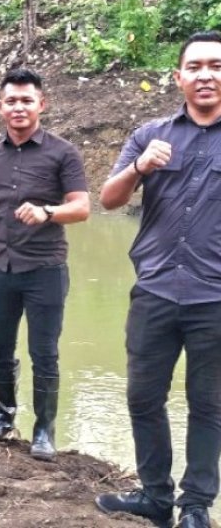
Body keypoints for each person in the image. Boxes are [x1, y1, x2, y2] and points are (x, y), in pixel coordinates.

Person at [95, 31, 221, 528]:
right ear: (179, 77)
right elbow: (108, 200)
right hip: (155, 290)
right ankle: (154, 495)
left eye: (216, 65)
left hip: (215, 298)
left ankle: (195, 507)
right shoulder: (149, 134)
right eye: (195, 67)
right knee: (143, 396)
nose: (206, 75)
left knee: (208, 404)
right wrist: (139, 169)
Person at [0, 68, 89, 461]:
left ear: (41, 104)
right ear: (0, 106)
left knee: (44, 352)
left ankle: (44, 431)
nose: (19, 107)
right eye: (11, 100)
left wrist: (49, 211)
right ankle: (2, 416)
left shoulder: (63, 152)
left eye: (26, 100)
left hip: (45, 269)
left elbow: (82, 208)